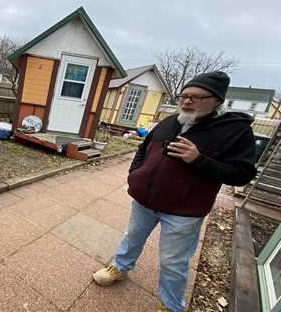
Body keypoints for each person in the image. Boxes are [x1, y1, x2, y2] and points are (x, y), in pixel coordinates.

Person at [92, 71, 257, 312]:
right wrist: (134, 174)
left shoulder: (234, 131)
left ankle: (170, 305)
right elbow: (143, 149)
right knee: (132, 238)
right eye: (185, 95)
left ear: (217, 101)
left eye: (197, 97)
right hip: (144, 201)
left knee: (173, 261)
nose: (187, 101)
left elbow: (243, 174)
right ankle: (120, 268)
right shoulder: (171, 121)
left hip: (183, 211)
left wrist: (199, 160)